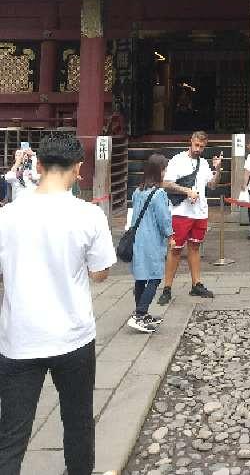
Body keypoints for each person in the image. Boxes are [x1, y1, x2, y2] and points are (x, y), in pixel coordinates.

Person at [0, 135, 116, 475]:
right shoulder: (89, 215)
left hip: (19, 337)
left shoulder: (6, 216)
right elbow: (100, 273)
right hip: (73, 336)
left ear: (38, 165)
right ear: (79, 169)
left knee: (11, 434)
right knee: (78, 421)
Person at [157, 131, 222, 305]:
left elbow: (212, 185)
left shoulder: (204, 163)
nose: (198, 149)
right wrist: (186, 191)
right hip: (180, 211)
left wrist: (218, 169)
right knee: (175, 249)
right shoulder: (178, 160)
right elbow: (166, 183)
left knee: (195, 247)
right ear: (191, 142)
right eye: (196, 145)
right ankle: (167, 287)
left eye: (202, 147)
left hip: (200, 211)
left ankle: (196, 283)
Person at [128, 153, 173, 333]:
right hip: (152, 239)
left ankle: (141, 313)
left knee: (140, 276)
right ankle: (140, 313)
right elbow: (164, 219)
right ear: (159, 171)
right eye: (164, 169)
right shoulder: (159, 194)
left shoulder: (138, 191)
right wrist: (170, 235)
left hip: (137, 238)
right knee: (154, 276)